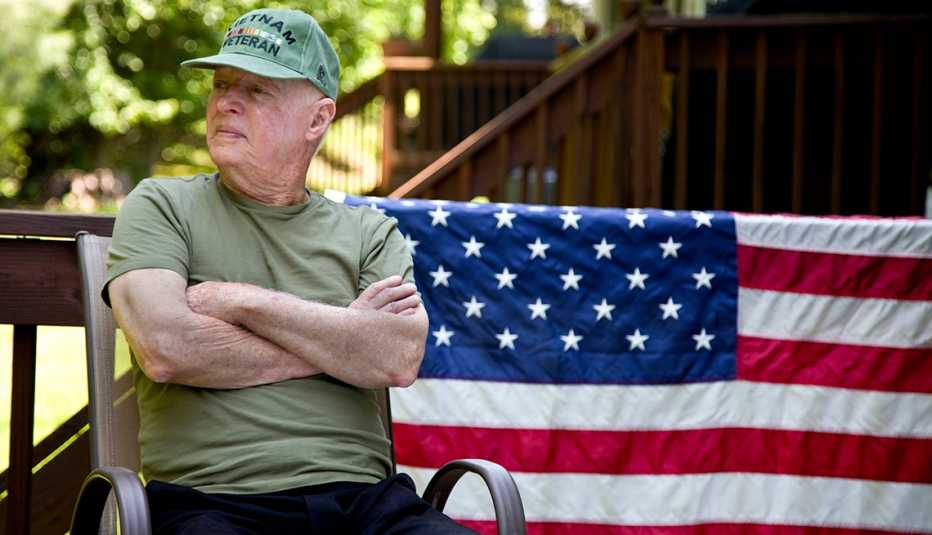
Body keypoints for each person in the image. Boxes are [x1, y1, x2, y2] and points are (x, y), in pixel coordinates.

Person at [105, 7, 475, 534]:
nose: (226, 102)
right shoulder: (162, 206)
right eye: (222, 85)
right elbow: (167, 348)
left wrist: (241, 303)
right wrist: (343, 341)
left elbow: (396, 357)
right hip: (214, 503)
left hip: (367, 506)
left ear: (318, 119)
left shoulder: (369, 232)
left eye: (257, 90)